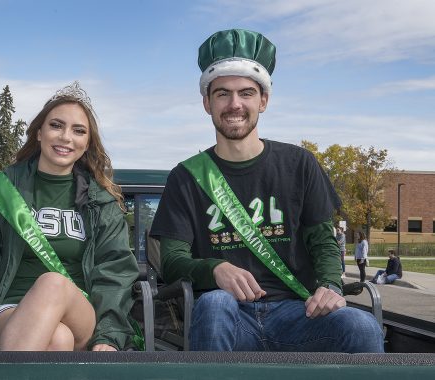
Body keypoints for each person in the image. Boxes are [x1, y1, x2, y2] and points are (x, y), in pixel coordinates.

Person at [150, 29, 384, 353]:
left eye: (246, 93)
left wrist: (330, 286)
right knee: (215, 304)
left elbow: (323, 243)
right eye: (222, 94)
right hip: (227, 316)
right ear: (207, 102)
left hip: (297, 313)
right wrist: (214, 268)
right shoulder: (186, 177)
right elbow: (172, 261)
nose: (235, 104)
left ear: (264, 100)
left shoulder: (299, 163)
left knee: (361, 326)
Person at [0, 81, 139, 352]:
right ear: (39, 133)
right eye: (56, 125)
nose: (65, 137)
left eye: (78, 131)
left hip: (81, 313)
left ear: (86, 144)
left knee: (52, 283)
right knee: (57, 338)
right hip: (10, 308)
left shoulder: (101, 201)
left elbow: (116, 271)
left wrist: (109, 336)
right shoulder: (1, 191)